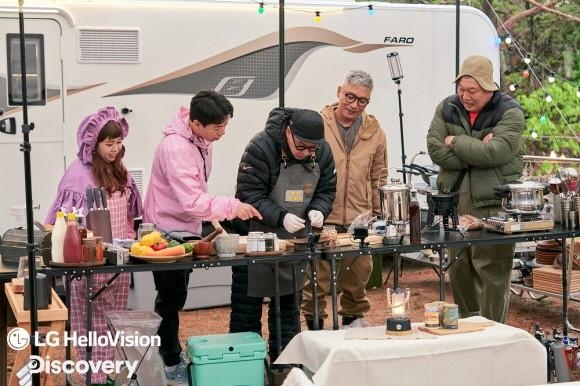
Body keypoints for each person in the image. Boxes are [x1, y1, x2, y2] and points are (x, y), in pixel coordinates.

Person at [143, 90, 261, 385]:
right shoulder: (176, 148)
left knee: (175, 295)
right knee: (171, 297)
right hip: (166, 230)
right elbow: (191, 200)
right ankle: (169, 361)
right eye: (217, 127)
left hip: (185, 227)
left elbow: (197, 194)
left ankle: (169, 356)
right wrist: (233, 206)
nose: (222, 132)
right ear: (195, 123)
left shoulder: (201, 141)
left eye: (224, 125)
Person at [45, 106, 143, 385]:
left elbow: (129, 214)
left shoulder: (119, 169)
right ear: (93, 143)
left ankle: (108, 373)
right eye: (109, 143)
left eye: (119, 142)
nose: (115, 149)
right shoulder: (78, 176)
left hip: (118, 258)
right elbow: (66, 225)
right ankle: (94, 377)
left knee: (114, 317)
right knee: (90, 321)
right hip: (88, 261)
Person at [229, 108, 336, 359]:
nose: (307, 153)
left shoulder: (322, 151)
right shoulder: (261, 146)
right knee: (247, 310)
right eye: (302, 147)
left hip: (293, 241)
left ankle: (285, 364)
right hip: (254, 238)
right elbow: (249, 194)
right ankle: (246, 364)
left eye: (313, 149)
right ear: (288, 132)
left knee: (287, 310)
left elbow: (327, 189)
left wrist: (318, 210)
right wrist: (280, 217)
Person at [426, 55, 525, 323]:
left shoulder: (510, 112)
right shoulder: (446, 107)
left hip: (494, 206)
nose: (466, 96)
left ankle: (494, 331)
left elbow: (496, 152)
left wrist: (456, 140)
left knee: (493, 272)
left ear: (488, 88)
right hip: (455, 204)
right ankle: (467, 332)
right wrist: (477, 148)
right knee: (459, 271)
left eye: (473, 91)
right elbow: (435, 149)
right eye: (462, 90)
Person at [301, 70, 388, 329]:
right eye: (350, 96)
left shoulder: (375, 131)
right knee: (316, 276)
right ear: (339, 91)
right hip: (321, 214)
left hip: (359, 217)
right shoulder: (318, 124)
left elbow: (379, 176)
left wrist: (379, 214)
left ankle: (353, 320)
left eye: (362, 101)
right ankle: (315, 325)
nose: (354, 104)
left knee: (357, 276)